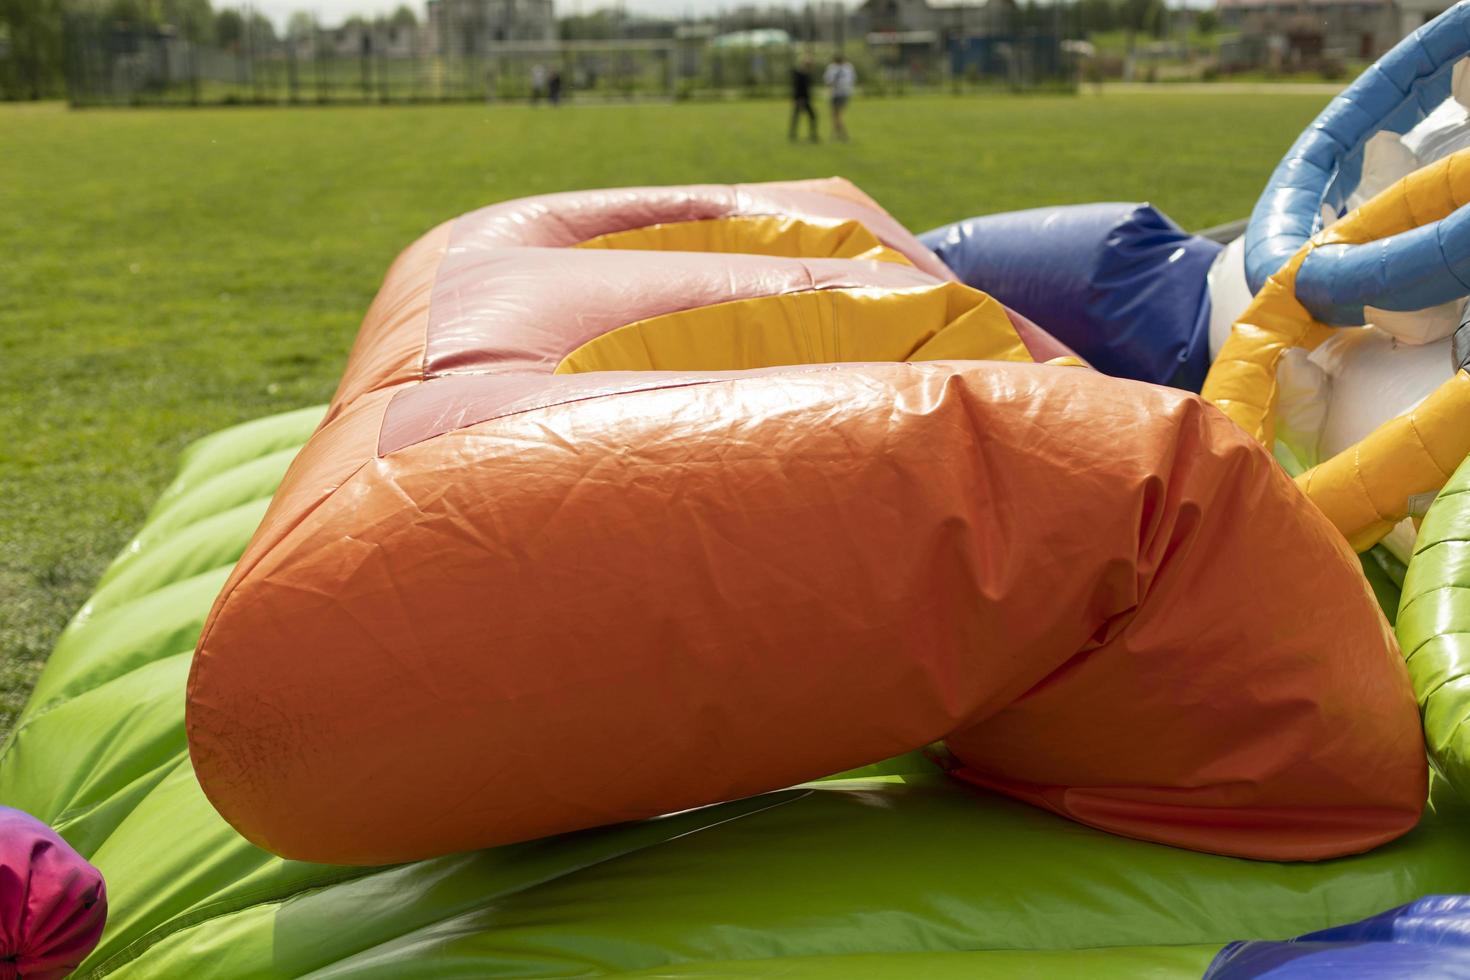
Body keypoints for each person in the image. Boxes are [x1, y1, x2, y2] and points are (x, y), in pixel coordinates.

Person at [824, 53, 856, 142]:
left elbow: (828, 81)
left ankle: (843, 136)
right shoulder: (847, 68)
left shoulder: (845, 68)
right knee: (835, 116)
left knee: (837, 116)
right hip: (837, 94)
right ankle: (837, 135)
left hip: (841, 94)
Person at [789, 55, 818, 142]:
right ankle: (794, 135)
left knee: (803, 117)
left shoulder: (807, 74)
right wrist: (798, 99)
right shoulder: (800, 75)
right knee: (808, 116)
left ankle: (810, 135)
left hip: (806, 99)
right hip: (801, 99)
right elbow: (797, 88)